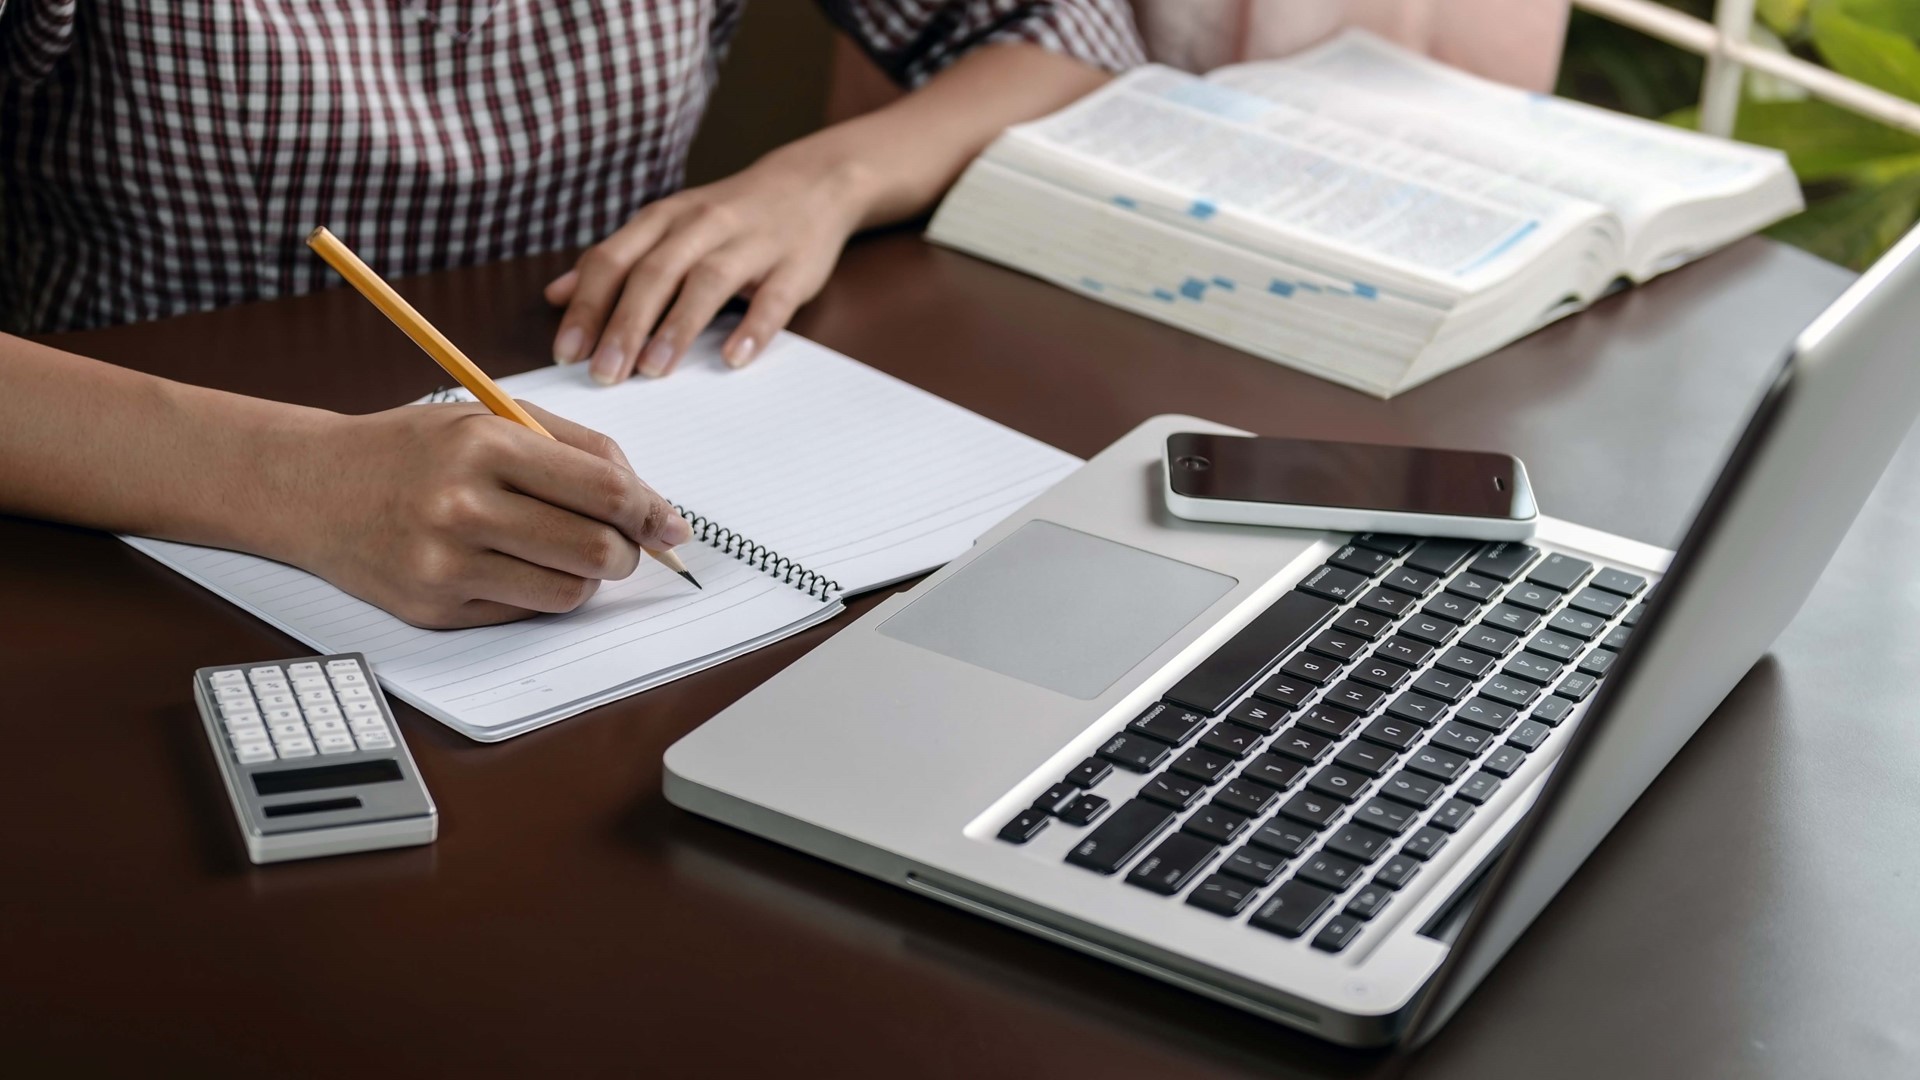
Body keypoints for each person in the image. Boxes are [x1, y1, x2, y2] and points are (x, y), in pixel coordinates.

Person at [0, 1, 1143, 628]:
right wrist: (293, 480)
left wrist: (824, 180)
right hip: (139, 525)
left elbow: (1069, 34)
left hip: (583, 376)